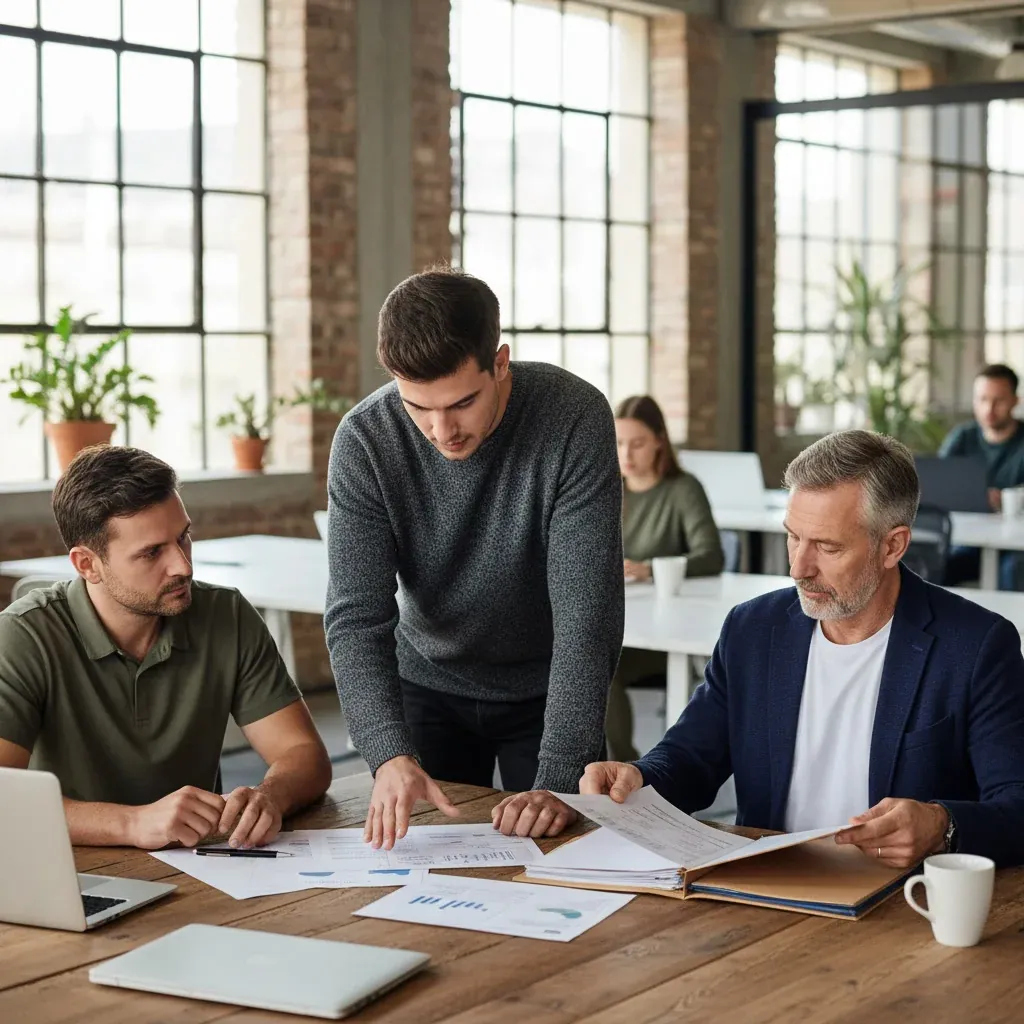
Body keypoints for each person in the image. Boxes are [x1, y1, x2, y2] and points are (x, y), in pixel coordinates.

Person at [581, 430, 1024, 869]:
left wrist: (942, 826)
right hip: (772, 890)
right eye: (793, 537)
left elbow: (1017, 807)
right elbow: (691, 758)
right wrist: (638, 777)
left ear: (893, 545)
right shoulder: (752, 629)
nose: (797, 568)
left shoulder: (977, 647)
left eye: (827, 547)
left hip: (904, 898)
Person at [324, 266, 623, 851]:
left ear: (501, 363)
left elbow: (587, 615)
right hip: (426, 683)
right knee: (419, 866)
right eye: (418, 407)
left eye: (462, 402)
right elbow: (356, 617)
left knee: (568, 859)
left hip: (547, 691)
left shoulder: (574, 417)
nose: (442, 430)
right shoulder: (364, 439)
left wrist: (560, 779)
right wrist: (387, 753)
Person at [0, 446, 332, 850]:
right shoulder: (23, 635)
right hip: (70, 868)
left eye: (184, 537)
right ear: (87, 565)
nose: (183, 566)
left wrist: (270, 796)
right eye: (152, 552)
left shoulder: (226, 615)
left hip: (199, 866)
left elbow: (304, 754)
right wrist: (133, 824)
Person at [608, 395, 724, 761]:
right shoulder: (607, 488)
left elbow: (711, 555)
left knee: (602, 669)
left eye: (637, 443)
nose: (626, 454)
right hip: (619, 623)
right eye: (619, 442)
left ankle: (630, 768)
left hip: (666, 631)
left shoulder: (682, 489)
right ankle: (609, 770)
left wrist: (649, 568)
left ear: (659, 440)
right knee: (587, 666)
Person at [940, 363, 1024, 589]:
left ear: (1016, 401)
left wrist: (1007, 500)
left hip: (1016, 545)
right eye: (982, 399)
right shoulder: (962, 437)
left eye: (999, 400)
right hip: (968, 539)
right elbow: (937, 482)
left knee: (1013, 569)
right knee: (937, 564)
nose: (989, 409)